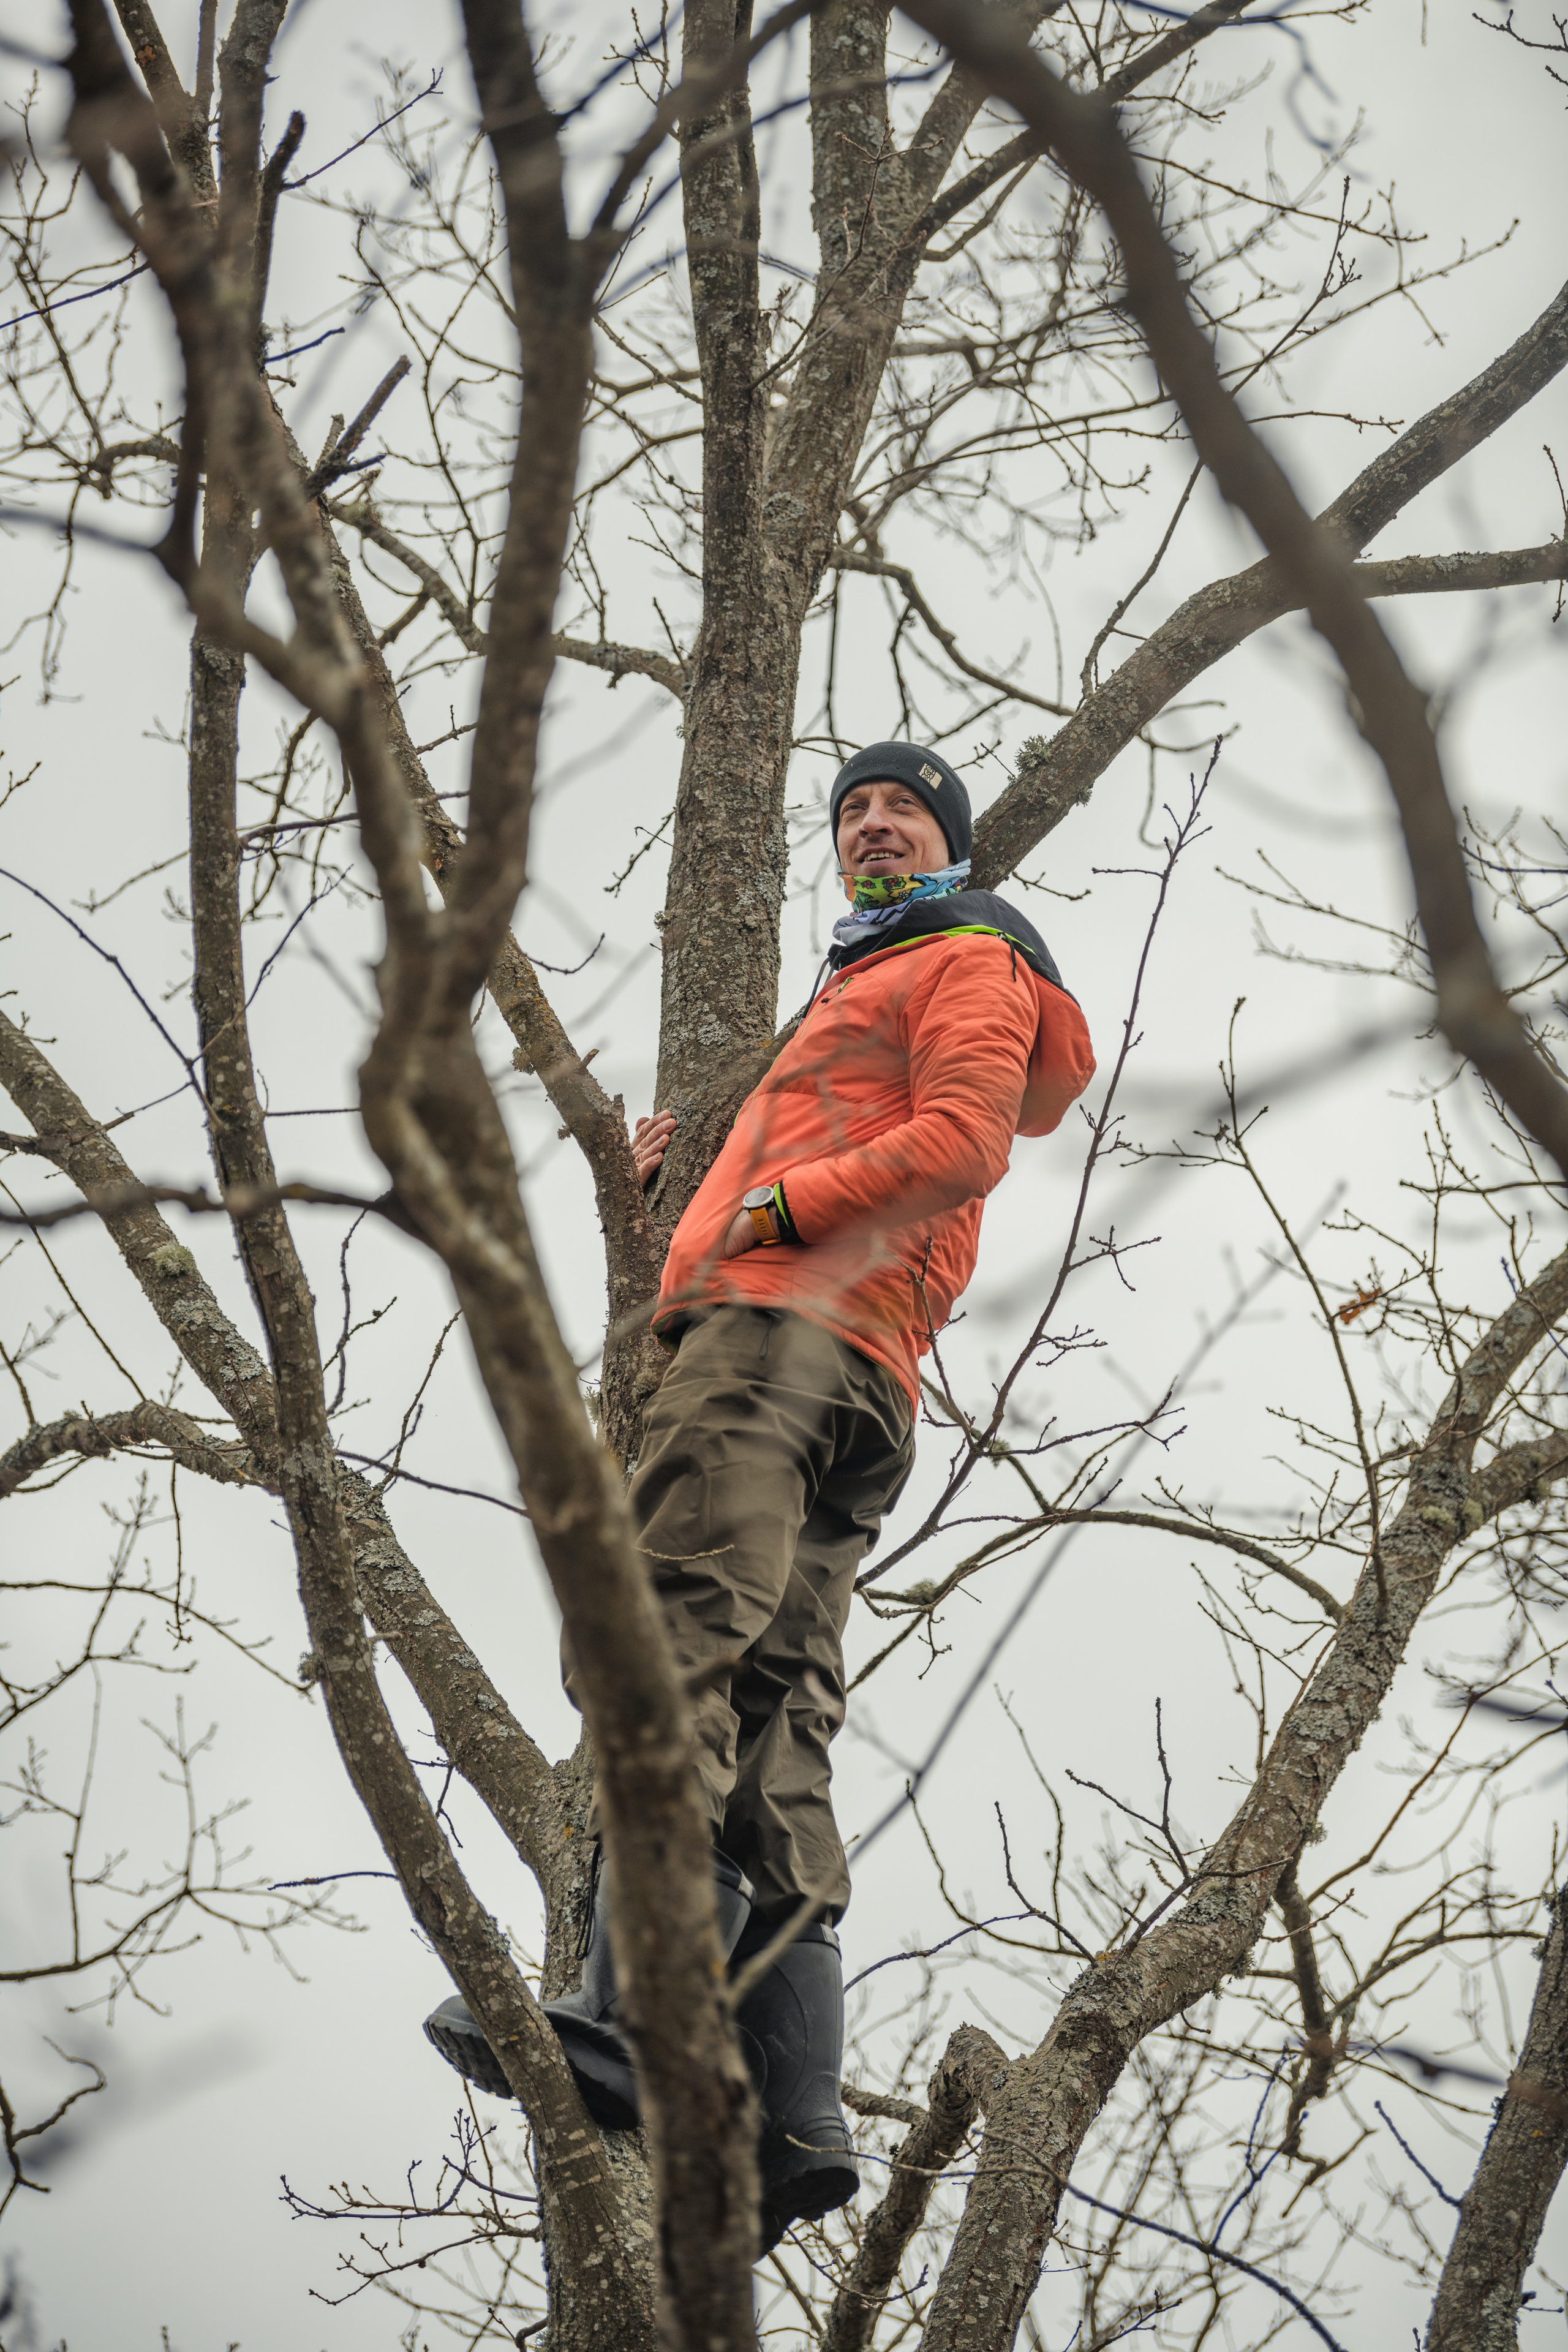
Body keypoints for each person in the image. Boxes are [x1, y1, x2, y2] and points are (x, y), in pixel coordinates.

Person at [424, 740, 1095, 2252]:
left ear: (952, 847)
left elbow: (961, 1141)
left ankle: (632, 2023)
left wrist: (773, 1208)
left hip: (785, 1339)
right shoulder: (872, 981)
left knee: (666, 1648)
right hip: (848, 1369)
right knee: (777, 1720)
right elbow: (831, 1130)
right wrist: (684, 1180)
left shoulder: (963, 956)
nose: (868, 823)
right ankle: (800, 2116)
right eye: (851, 808)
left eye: (901, 810)